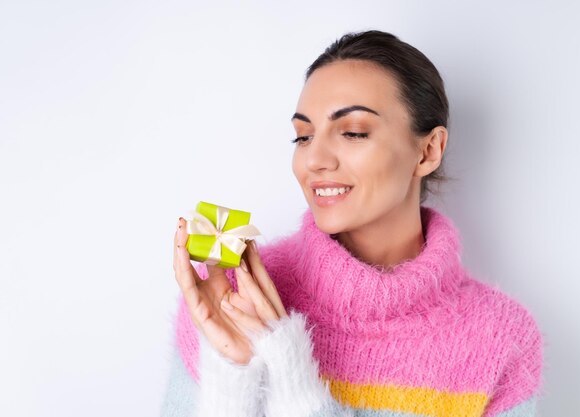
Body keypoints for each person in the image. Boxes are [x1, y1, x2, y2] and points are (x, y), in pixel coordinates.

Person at [161, 30, 544, 417]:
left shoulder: (500, 337)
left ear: (428, 151)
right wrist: (232, 374)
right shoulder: (227, 297)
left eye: (353, 132)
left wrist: (298, 390)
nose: (314, 160)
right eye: (304, 137)